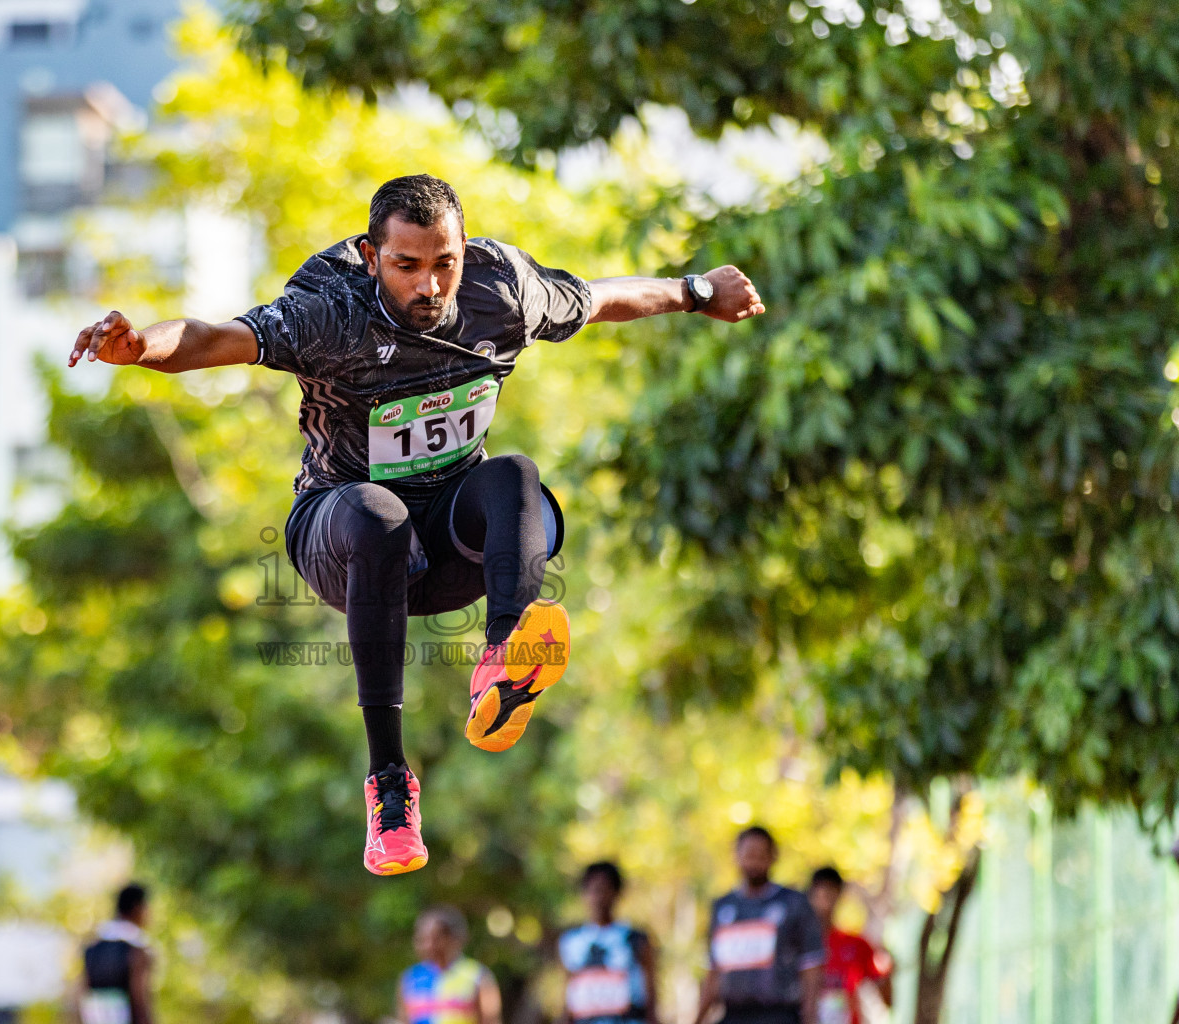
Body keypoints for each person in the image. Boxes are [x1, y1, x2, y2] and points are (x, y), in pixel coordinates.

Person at [70, 174, 766, 875]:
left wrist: (697, 291)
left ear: (464, 252)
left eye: (444, 264)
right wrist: (140, 346)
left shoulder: (502, 288)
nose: (429, 287)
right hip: (345, 540)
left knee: (513, 475)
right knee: (380, 514)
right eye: (407, 266)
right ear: (371, 256)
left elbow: (599, 299)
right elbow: (214, 338)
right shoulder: (330, 307)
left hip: (451, 545)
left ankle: (504, 657)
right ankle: (390, 790)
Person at [695, 826, 825, 1024]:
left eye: (761, 856)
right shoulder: (722, 908)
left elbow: (811, 967)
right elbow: (713, 972)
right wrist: (698, 1018)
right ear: (736, 856)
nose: (754, 862)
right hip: (733, 1015)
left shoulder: (793, 904)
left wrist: (810, 1016)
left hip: (779, 1014)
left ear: (773, 857)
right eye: (749, 855)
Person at [557, 861, 659, 1024]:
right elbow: (569, 997)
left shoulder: (635, 939)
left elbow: (651, 995)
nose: (599, 897)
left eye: (604, 889)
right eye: (593, 890)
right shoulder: (571, 941)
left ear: (617, 893)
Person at [806, 866, 892, 1024]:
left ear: (840, 895)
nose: (825, 899)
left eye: (831, 891)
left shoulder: (856, 944)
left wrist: (887, 970)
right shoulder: (796, 945)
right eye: (820, 892)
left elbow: (886, 996)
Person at [399, 906, 502, 1024]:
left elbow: (490, 1020)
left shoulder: (477, 975)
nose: (428, 945)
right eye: (422, 939)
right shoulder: (411, 978)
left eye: (435, 939)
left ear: (453, 938)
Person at [77, 883, 156, 1024]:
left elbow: (80, 995)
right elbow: (140, 1003)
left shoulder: (93, 948)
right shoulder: (137, 950)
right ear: (137, 907)